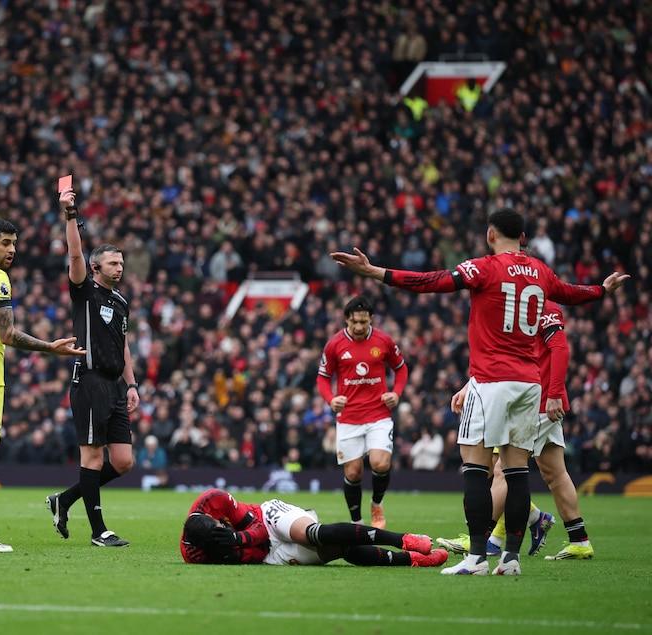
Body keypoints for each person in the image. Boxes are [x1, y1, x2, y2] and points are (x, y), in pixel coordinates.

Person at [331, 208, 628, 575]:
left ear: (491, 234)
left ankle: (475, 557)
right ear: (522, 237)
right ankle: (512, 559)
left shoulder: (484, 267)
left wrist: (375, 272)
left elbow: (431, 281)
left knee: (476, 467)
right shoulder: (540, 271)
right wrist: (602, 289)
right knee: (518, 472)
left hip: (490, 382)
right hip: (529, 384)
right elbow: (570, 294)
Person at [0, 219, 85, 553]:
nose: (12, 250)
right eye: (5, 243)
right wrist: (50, 346)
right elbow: (8, 335)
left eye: (14, 243)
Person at [438, 300, 592, 560]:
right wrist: (470, 385)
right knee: (554, 471)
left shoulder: (543, 306)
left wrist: (554, 393)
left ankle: (482, 538)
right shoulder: (513, 306)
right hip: (526, 397)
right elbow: (501, 356)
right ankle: (579, 539)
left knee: (503, 469)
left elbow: (559, 348)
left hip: (535, 402)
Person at [46, 186, 140, 547]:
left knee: (123, 460)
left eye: (121, 263)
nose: (119, 268)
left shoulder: (120, 301)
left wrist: (131, 385)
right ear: (97, 266)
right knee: (91, 455)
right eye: (113, 263)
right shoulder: (85, 290)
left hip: (115, 385)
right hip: (88, 380)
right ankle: (98, 531)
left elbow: (125, 345)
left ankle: (64, 500)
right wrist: (70, 215)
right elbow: (74, 252)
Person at [179, 488, 447, 568]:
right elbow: (256, 554)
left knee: (314, 534)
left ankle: (405, 540)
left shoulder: (214, 500)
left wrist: (237, 537)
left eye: (219, 526)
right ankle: (410, 560)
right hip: (268, 555)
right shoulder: (196, 555)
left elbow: (259, 529)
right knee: (337, 549)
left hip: (268, 518)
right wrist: (237, 547)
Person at [317, 296, 408, 529]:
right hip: (348, 417)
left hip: (378, 414)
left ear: (371, 320)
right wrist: (330, 399)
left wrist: (396, 393)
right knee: (354, 472)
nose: (359, 327)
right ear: (347, 319)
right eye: (354, 322)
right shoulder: (334, 344)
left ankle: (377, 504)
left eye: (364, 322)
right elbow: (323, 377)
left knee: (380, 463)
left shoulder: (384, 341)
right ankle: (356, 523)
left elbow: (401, 368)